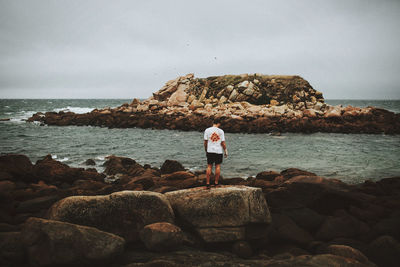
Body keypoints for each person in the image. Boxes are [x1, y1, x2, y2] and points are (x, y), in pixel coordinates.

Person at [203, 119, 228, 189]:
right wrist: (225, 150)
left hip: (210, 150)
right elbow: (223, 143)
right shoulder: (221, 131)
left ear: (213, 123)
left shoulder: (207, 130)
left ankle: (207, 183)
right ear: (218, 123)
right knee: (217, 166)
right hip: (218, 151)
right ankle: (216, 183)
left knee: (209, 166)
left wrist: (206, 149)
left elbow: (205, 142)